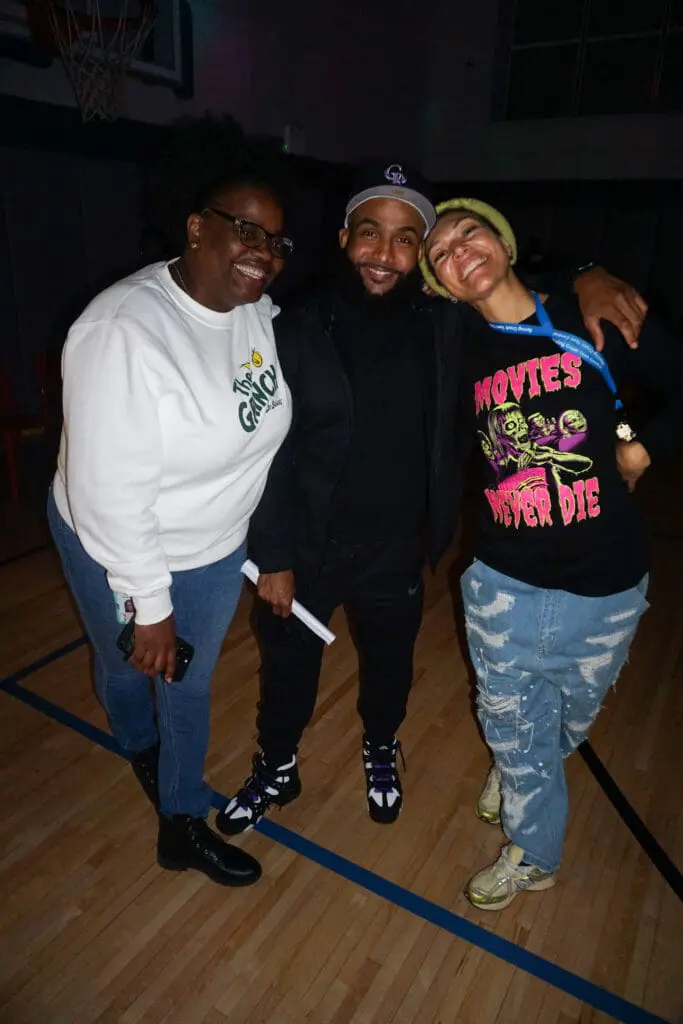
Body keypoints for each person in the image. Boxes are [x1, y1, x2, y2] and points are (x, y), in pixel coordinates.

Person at [217, 162, 647, 837]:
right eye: (368, 233)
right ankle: (277, 762)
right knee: (288, 668)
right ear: (342, 238)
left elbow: (511, 289)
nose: (383, 255)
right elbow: (265, 450)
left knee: (390, 667)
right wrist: (271, 554)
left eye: (404, 240)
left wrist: (584, 271)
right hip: (303, 543)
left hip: (396, 543)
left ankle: (380, 747)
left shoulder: (445, 324)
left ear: (422, 257)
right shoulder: (290, 327)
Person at [47, 121, 294, 887]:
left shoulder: (253, 310)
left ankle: (179, 822)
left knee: (187, 683)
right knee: (130, 667)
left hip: (215, 547)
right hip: (115, 540)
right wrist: (147, 604)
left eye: (277, 241)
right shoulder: (122, 331)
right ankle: (137, 745)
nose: (262, 252)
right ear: (196, 226)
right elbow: (108, 494)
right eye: (246, 229)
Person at [420, 197, 683, 910]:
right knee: (508, 717)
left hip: (607, 578)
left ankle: (522, 764)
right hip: (503, 576)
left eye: (467, 231)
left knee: (568, 717)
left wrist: (646, 444)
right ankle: (533, 852)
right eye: (439, 251)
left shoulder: (585, 315)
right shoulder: (456, 343)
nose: (456, 250)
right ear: (439, 283)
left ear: (500, 240)